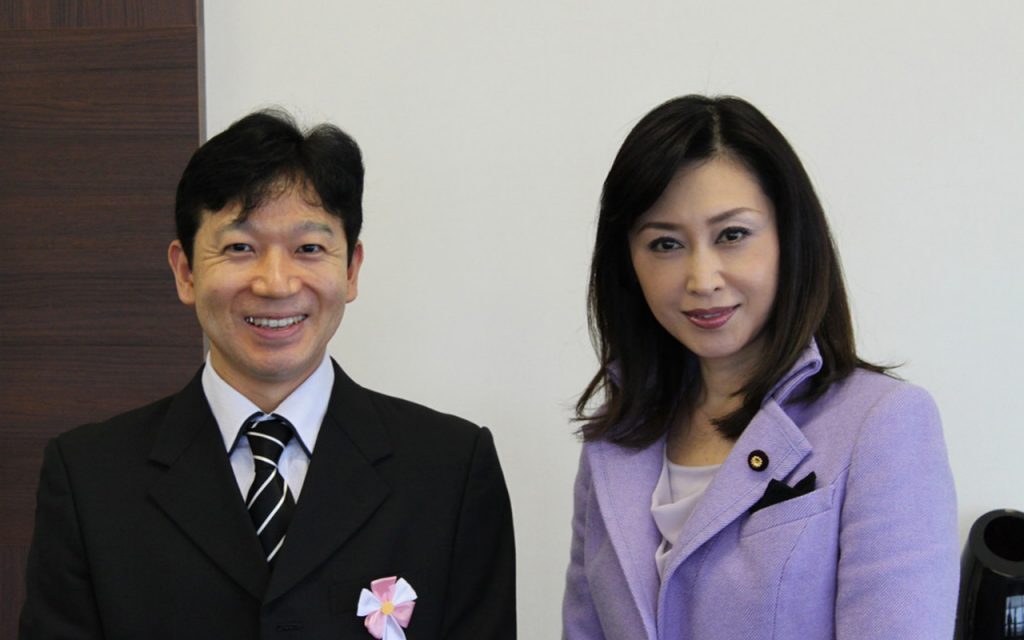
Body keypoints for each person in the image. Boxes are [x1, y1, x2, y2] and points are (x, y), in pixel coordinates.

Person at [20, 110, 516, 639]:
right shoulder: (89, 478)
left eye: (309, 249)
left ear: (351, 270)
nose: (276, 283)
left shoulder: (451, 470)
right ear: (185, 272)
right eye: (240, 248)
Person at [562, 95, 958, 639]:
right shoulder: (614, 441)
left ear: (789, 237)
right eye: (665, 243)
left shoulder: (883, 423)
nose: (702, 279)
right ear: (628, 263)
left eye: (732, 235)